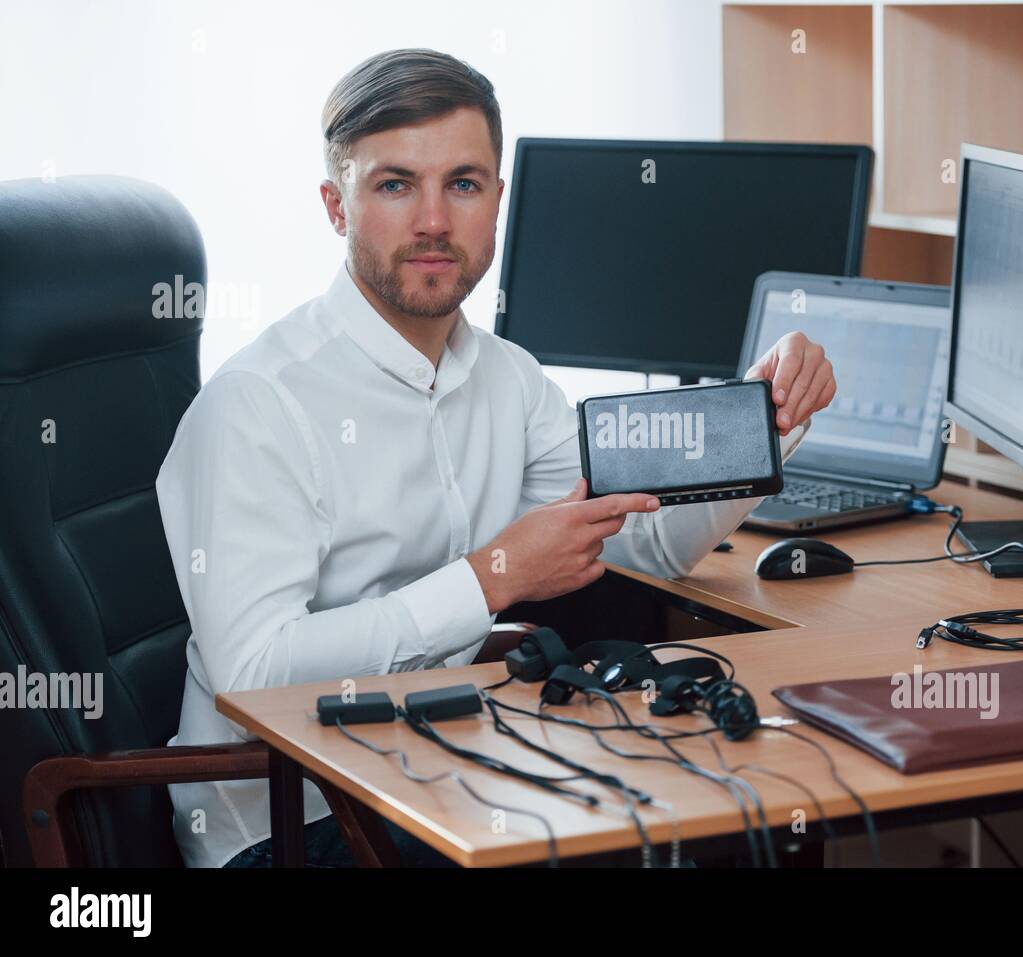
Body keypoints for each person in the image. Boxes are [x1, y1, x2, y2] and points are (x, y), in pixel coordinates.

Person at [156, 48, 837, 868]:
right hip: (285, 822)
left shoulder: (506, 377)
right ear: (336, 206)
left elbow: (641, 539)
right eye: (396, 184)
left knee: (755, 814)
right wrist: (492, 578)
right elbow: (253, 672)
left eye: (465, 184)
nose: (435, 220)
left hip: (432, 771)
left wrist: (765, 417)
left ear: (498, 203)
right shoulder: (258, 401)